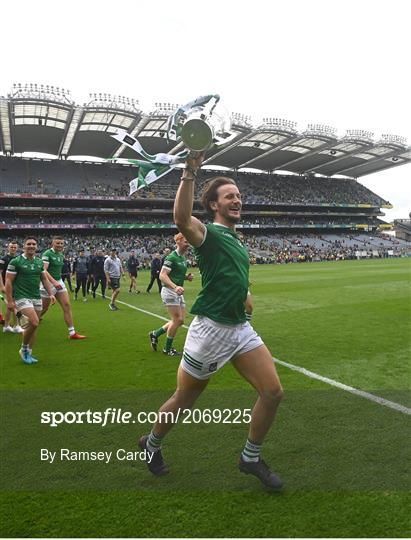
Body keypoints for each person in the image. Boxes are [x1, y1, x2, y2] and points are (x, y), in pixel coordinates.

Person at [139, 154, 284, 490]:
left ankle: (250, 457)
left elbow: (235, 277)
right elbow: (180, 217)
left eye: (239, 195)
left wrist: (246, 296)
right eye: (229, 196)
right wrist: (190, 170)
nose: (237, 200)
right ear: (214, 205)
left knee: (273, 392)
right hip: (211, 331)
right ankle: (152, 442)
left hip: (239, 327)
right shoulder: (208, 234)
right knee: (185, 399)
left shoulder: (235, 239)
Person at [5, 236, 56, 364]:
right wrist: (10, 301)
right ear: (24, 246)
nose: (31, 246)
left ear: (37, 247)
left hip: (36, 296)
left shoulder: (39, 262)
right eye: (29, 244)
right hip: (22, 296)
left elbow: (44, 279)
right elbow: (8, 281)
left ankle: (29, 353)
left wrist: (51, 294)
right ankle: (23, 349)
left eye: (34, 244)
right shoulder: (16, 262)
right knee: (33, 322)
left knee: (33, 327)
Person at [149, 233, 193, 356]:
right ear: (178, 242)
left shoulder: (183, 258)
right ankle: (167, 349)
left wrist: (186, 277)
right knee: (177, 319)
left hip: (177, 291)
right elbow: (162, 275)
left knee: (180, 321)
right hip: (169, 291)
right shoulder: (171, 257)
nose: (188, 244)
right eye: (185, 241)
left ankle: (155, 334)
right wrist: (175, 286)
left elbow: (175, 275)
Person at [40, 237, 86, 340]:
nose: (60, 245)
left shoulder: (60, 254)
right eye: (58, 243)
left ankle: (72, 333)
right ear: (53, 243)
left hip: (59, 281)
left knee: (66, 305)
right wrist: (54, 282)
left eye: (61, 243)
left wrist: (58, 281)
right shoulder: (47, 254)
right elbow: (43, 270)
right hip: (47, 283)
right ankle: (32, 320)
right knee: (43, 308)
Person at [0, 240, 23, 333]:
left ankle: (6, 326)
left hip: (17, 285)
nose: (13, 248)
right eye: (11, 247)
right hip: (8, 285)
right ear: (8, 248)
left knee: (11, 306)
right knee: (16, 305)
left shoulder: (18, 258)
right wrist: (2, 286)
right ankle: (17, 326)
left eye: (15, 247)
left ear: (17, 248)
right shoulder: (3, 259)